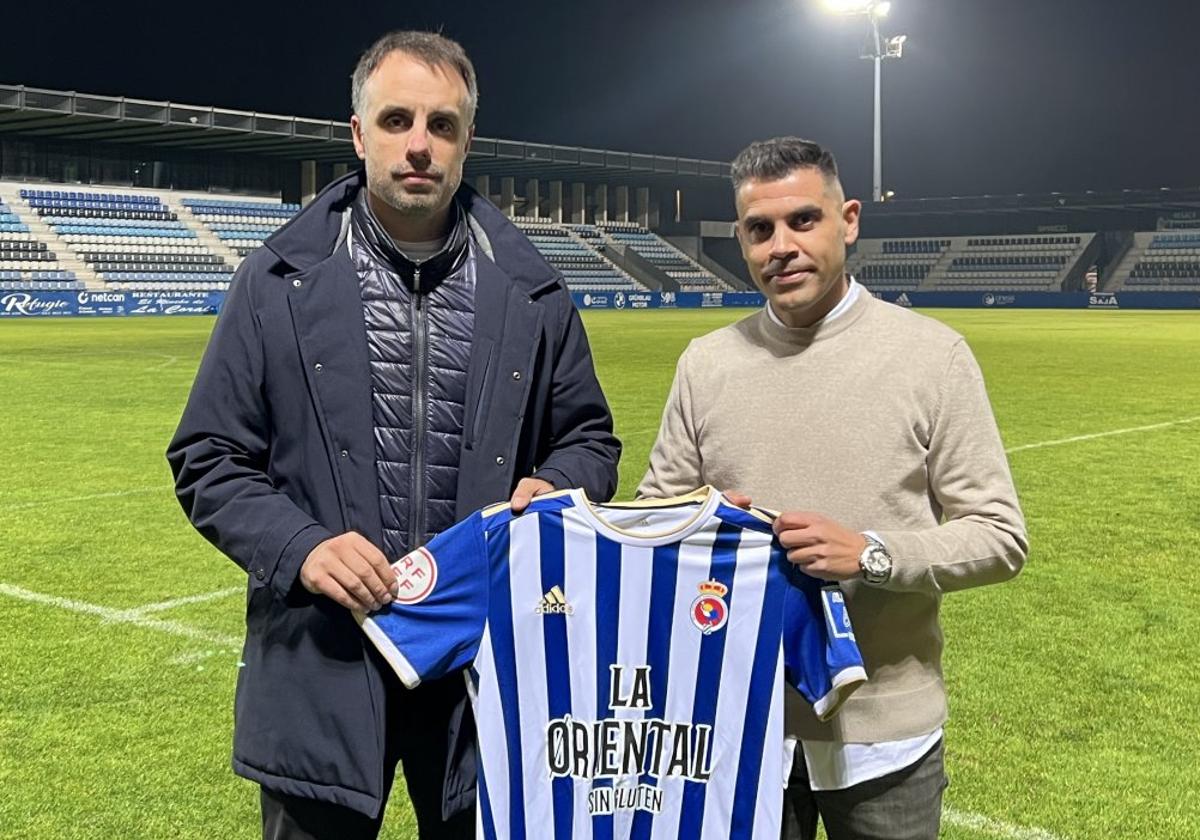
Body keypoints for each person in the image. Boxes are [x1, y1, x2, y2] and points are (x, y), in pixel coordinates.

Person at [167, 30, 620, 840]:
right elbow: (208, 458)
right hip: (323, 658)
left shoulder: (533, 290)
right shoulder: (273, 281)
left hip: (487, 675)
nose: (419, 144)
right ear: (357, 133)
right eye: (397, 120)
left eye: (442, 125)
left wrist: (557, 489)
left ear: (467, 141)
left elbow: (588, 439)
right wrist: (302, 547)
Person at [637, 136, 1028, 840]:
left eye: (802, 221)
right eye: (760, 230)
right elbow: (652, 520)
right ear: (741, 240)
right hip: (735, 735)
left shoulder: (932, 357)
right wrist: (695, 519)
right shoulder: (706, 365)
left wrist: (871, 554)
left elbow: (1000, 537)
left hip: (886, 741)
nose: (780, 246)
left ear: (848, 220)